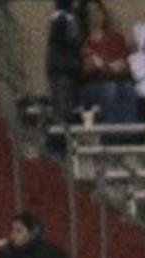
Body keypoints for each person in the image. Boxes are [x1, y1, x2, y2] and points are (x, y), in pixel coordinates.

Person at [80, 0, 138, 129]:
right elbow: (86, 69)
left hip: (118, 80)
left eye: (98, 11)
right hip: (91, 86)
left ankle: (129, 136)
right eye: (90, 12)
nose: (95, 15)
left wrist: (116, 66)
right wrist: (106, 67)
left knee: (128, 88)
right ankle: (110, 135)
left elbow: (126, 64)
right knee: (109, 88)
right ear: (85, 16)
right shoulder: (83, 41)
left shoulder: (115, 38)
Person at [45, 0, 83, 152]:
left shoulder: (68, 18)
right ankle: (54, 146)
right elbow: (66, 44)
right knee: (61, 109)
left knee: (66, 109)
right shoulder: (62, 19)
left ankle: (60, 145)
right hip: (62, 69)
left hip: (66, 69)